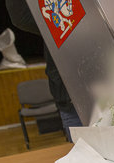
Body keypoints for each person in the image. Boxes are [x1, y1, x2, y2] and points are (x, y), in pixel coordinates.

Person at [5, 0, 82, 141]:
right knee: (83, 155)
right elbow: (21, 17)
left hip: (109, 95)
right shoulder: (58, 18)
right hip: (69, 98)